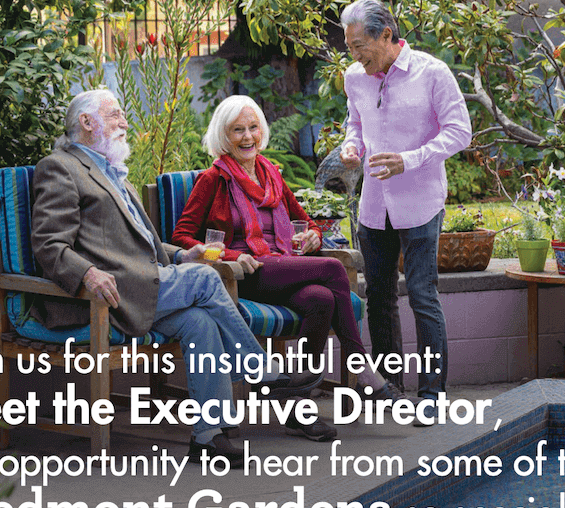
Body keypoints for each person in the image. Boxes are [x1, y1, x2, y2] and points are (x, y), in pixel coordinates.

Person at [30, 89, 318, 468]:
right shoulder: (61, 167)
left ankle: (208, 437)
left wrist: (182, 254)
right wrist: (87, 272)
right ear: (87, 123)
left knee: (199, 323)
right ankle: (262, 372)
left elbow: (139, 244)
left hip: (139, 287)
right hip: (102, 295)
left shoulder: (111, 170)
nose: (124, 121)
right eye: (115, 114)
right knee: (205, 280)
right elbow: (49, 244)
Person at [172, 95, 403, 441]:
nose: (247, 136)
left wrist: (310, 233)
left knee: (321, 299)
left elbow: (303, 218)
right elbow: (181, 236)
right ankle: (363, 370)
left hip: (282, 265)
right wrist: (226, 257)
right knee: (333, 270)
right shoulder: (213, 179)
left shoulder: (270, 174)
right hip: (244, 273)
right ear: (225, 135)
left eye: (253, 127)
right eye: (238, 130)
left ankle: (299, 410)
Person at [338, 0, 472, 403]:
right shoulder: (355, 78)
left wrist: (409, 160)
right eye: (350, 48)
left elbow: (459, 132)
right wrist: (351, 146)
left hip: (420, 203)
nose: (355, 56)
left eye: (361, 46)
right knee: (377, 296)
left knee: (422, 295)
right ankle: (389, 392)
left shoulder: (433, 73)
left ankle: (432, 395)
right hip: (373, 207)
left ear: (386, 36)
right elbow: (355, 122)